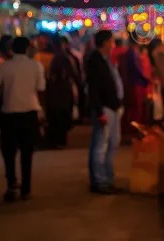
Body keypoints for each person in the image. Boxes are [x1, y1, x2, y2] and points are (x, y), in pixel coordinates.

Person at [0, 36, 45, 202]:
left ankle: (11, 184)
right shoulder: (36, 66)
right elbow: (41, 88)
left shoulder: (5, 66)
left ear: (11, 49)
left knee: (9, 153)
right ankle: (26, 188)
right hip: (29, 112)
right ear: (28, 48)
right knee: (27, 152)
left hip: (9, 113)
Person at [86, 30, 124, 194]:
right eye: (111, 41)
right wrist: (99, 110)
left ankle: (108, 178)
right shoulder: (94, 61)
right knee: (101, 145)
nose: (113, 45)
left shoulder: (106, 60)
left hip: (114, 107)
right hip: (105, 108)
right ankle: (99, 181)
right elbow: (93, 89)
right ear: (105, 42)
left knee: (112, 144)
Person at [44, 37, 83, 148]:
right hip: (63, 92)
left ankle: (56, 140)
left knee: (56, 117)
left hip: (56, 92)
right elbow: (74, 74)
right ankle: (60, 140)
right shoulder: (64, 58)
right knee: (62, 116)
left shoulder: (54, 57)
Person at [117, 36, 150, 132]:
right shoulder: (132, 53)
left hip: (133, 83)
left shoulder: (131, 52)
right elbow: (136, 69)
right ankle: (134, 129)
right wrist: (145, 80)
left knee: (132, 108)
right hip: (135, 84)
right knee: (135, 108)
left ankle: (131, 128)